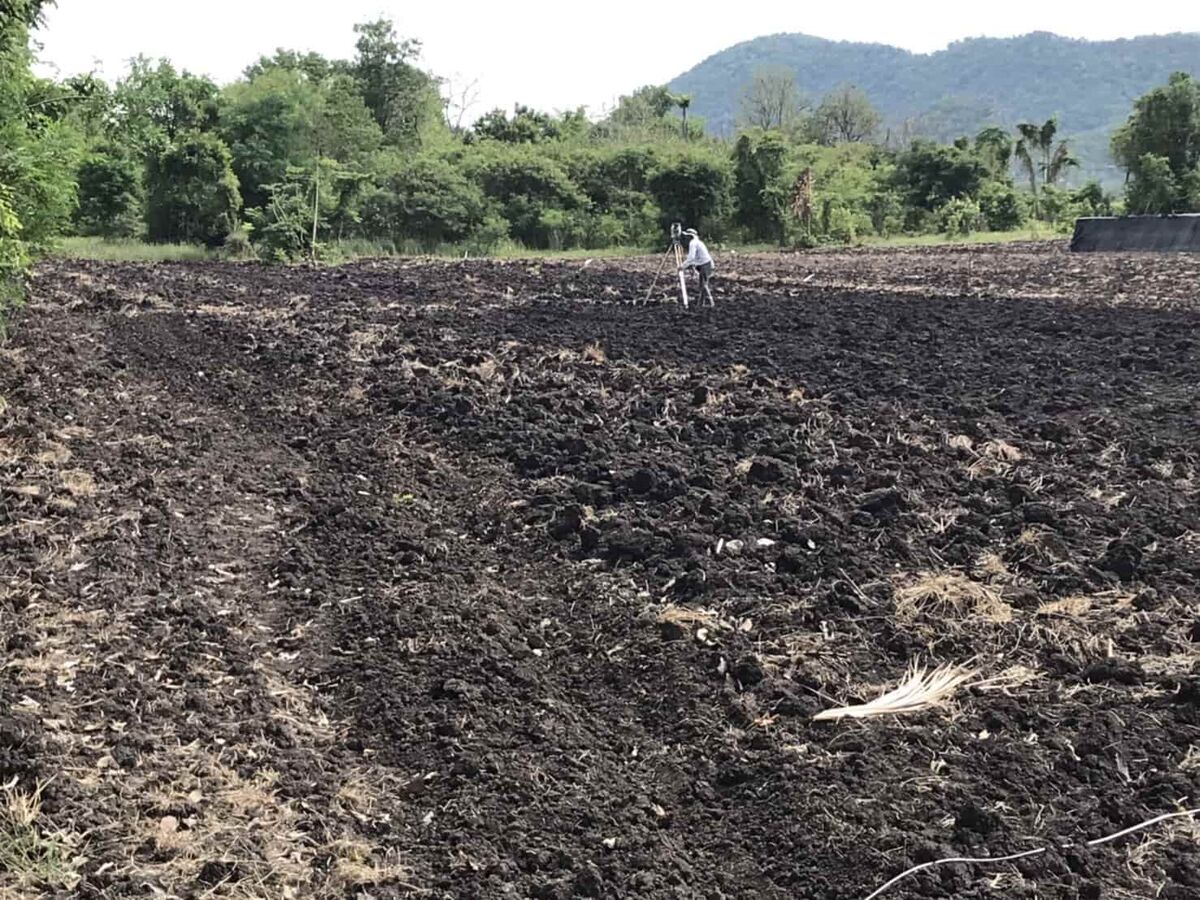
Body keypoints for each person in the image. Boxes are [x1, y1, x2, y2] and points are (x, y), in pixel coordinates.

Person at [679, 228, 716, 307]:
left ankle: (709, 302)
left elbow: (691, 257)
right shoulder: (698, 242)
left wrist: (682, 266)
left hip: (705, 264)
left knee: (703, 285)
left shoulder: (693, 243)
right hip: (705, 264)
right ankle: (701, 303)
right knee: (703, 285)